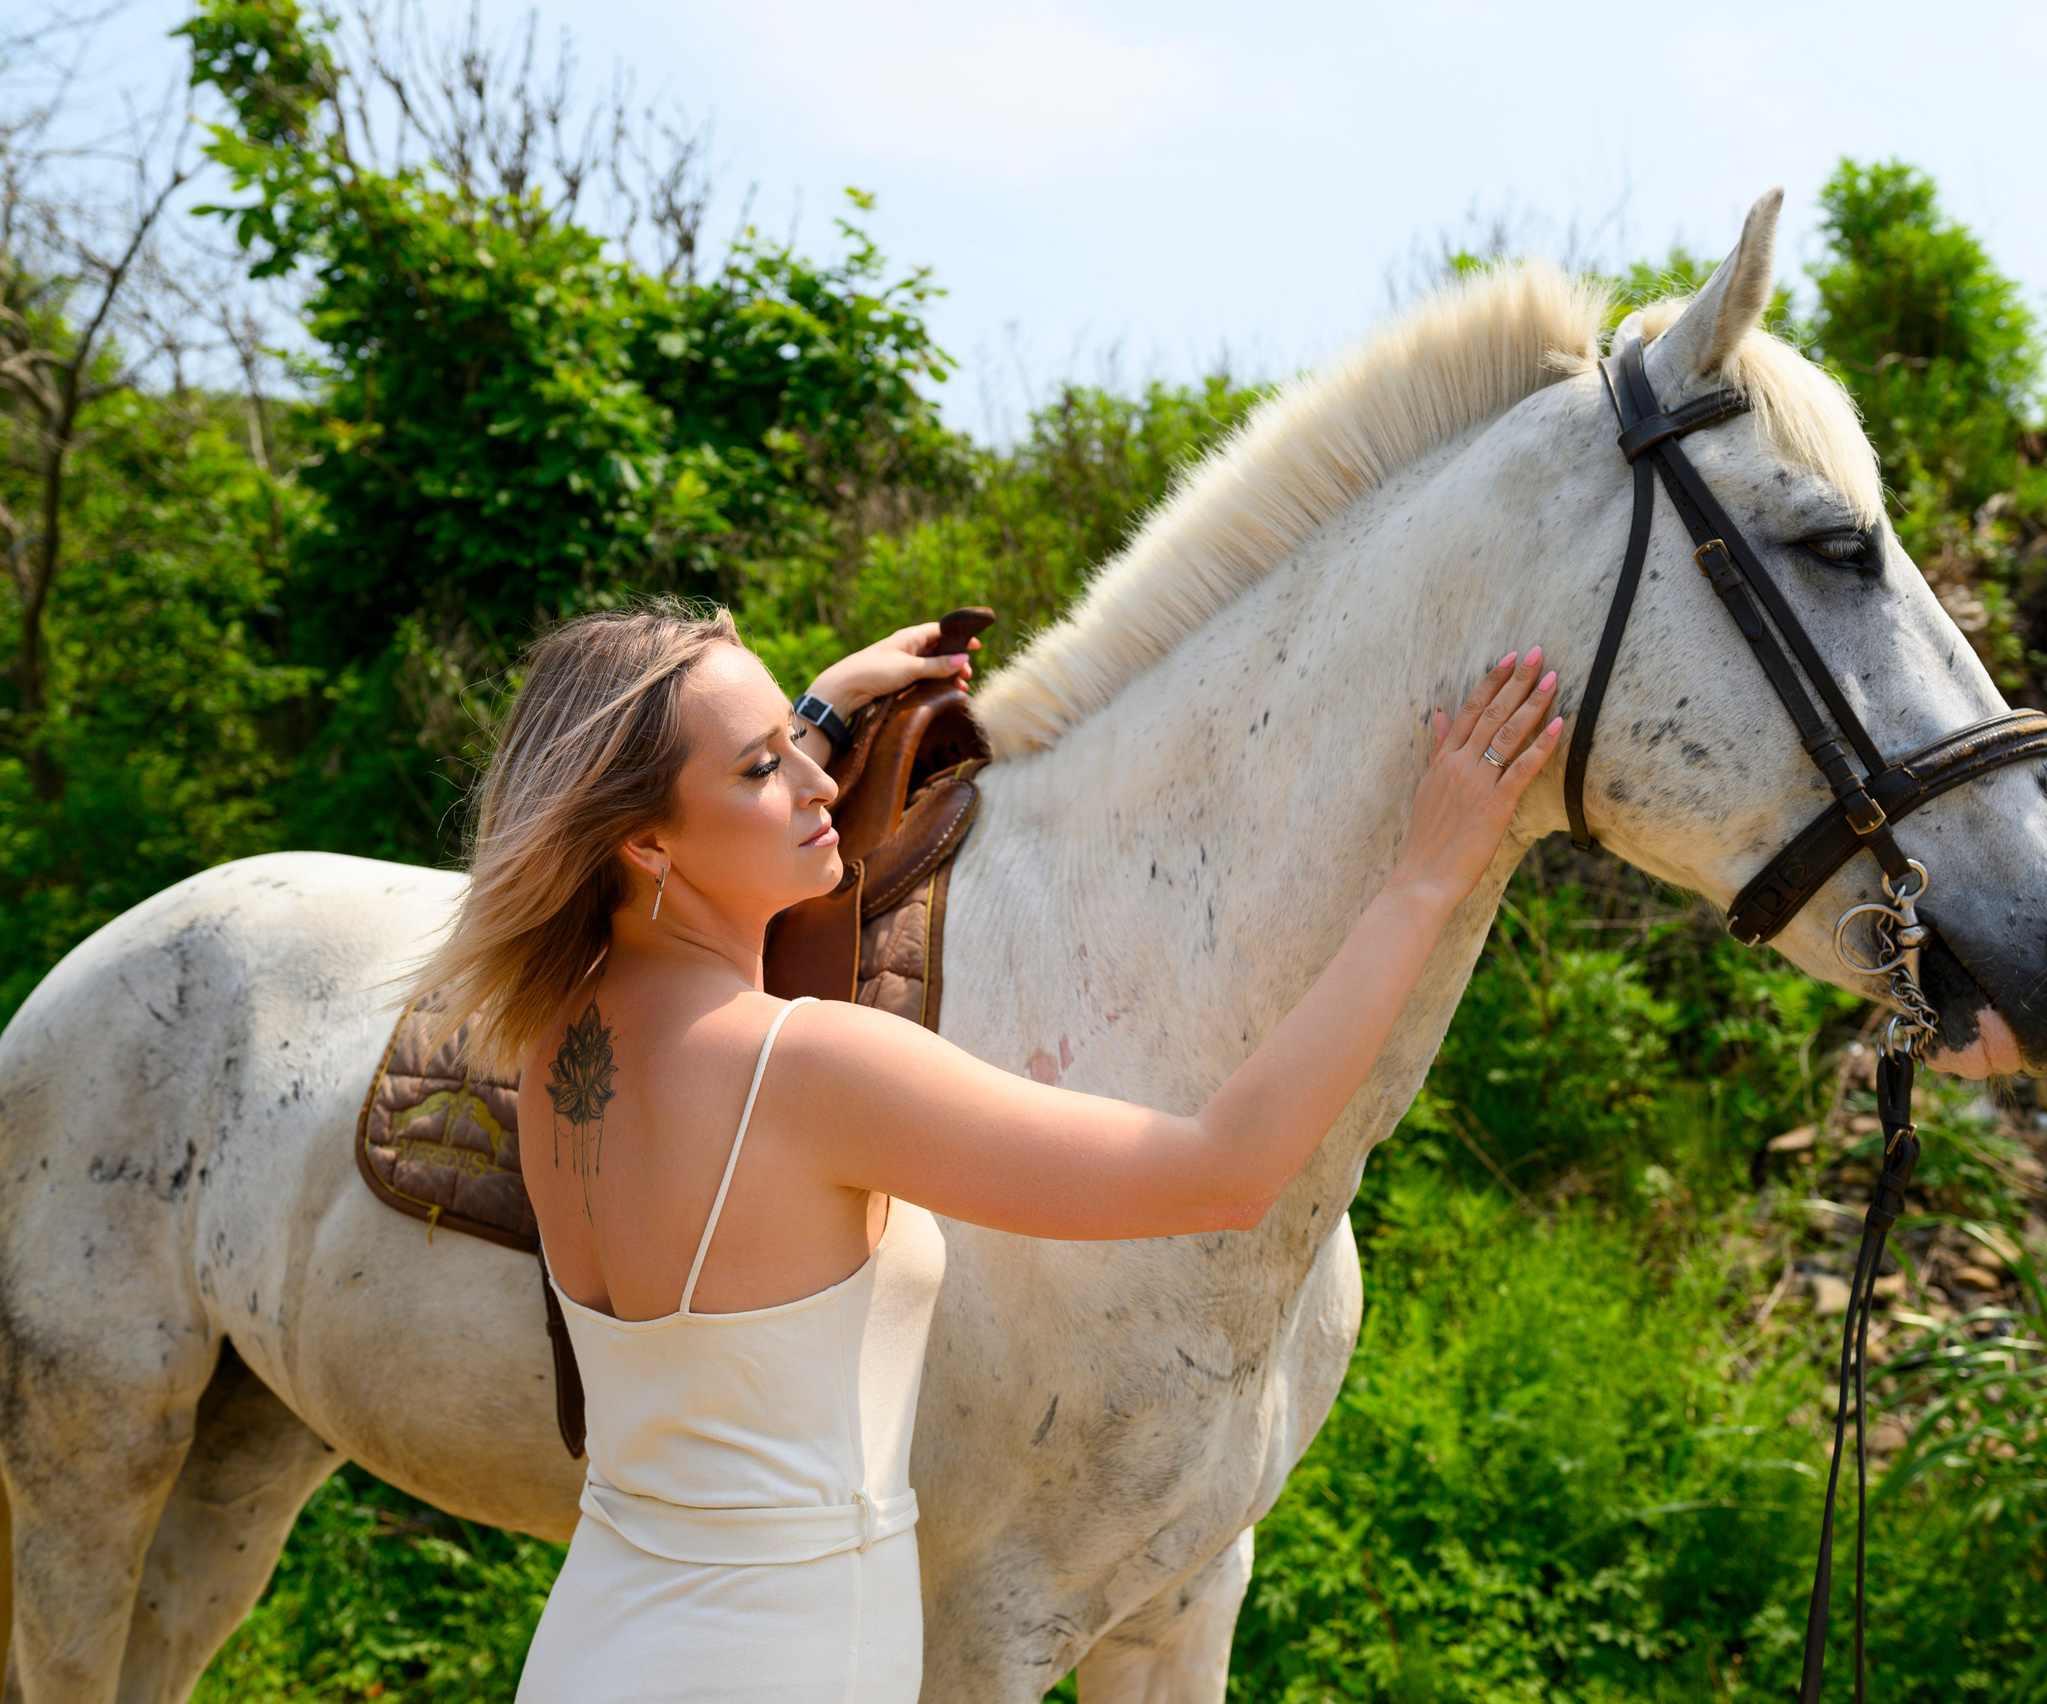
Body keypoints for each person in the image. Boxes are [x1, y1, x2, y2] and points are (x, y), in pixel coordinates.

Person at [410, 603, 1564, 1704]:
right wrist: (1422, 882)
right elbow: (1228, 1168)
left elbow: (668, 846)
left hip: (601, 1646)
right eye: (764, 770)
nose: (819, 781)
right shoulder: (816, 1074)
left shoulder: (556, 1020)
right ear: (645, 843)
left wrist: (816, 709)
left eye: (791, 746)